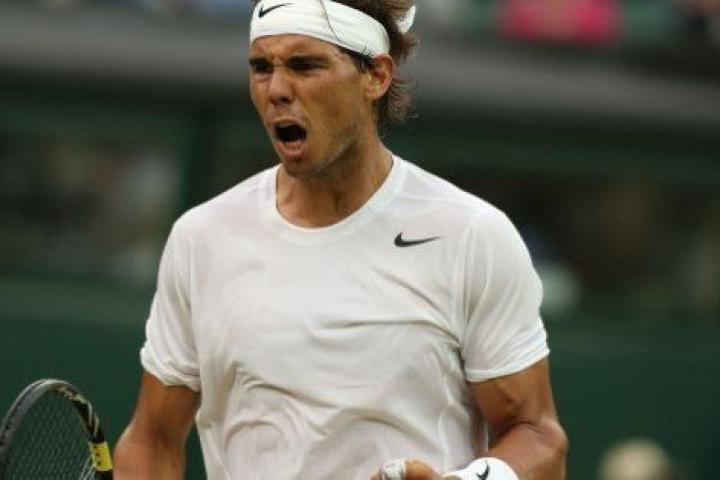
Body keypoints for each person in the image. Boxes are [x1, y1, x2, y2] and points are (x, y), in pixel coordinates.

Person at [113, 0, 568, 479]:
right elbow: (152, 439)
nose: (276, 89)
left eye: (304, 65)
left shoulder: (472, 236)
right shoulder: (201, 238)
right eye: (261, 68)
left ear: (376, 76)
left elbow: (539, 438)